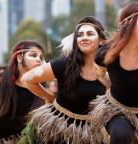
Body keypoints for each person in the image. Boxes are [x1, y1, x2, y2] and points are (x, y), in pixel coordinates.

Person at [20, 16, 107, 144]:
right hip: (58, 131)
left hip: (92, 134)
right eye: (80, 35)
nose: (84, 38)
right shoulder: (64, 64)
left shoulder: (110, 68)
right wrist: (49, 97)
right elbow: (27, 79)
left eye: (90, 34)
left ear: (101, 41)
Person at [91, 2, 138, 143]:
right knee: (121, 135)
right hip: (118, 110)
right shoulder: (105, 53)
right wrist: (111, 85)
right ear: (128, 23)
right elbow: (99, 74)